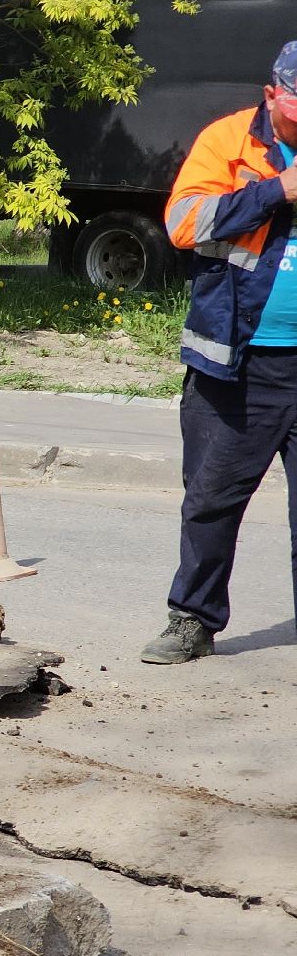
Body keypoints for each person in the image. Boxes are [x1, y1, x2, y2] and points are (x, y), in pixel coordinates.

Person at [144, 41, 297, 663]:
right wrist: (277, 190)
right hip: (239, 367)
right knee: (211, 501)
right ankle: (193, 620)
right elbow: (184, 224)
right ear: (273, 94)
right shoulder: (230, 141)